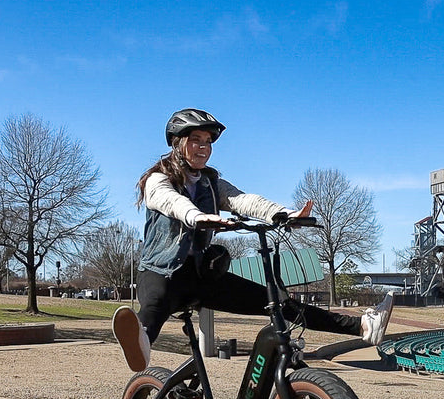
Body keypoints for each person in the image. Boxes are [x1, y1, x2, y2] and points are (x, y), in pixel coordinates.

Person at [112, 108, 393, 372]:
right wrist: (197, 216)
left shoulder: (210, 182)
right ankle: (141, 345)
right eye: (195, 139)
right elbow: (169, 201)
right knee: (154, 308)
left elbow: (243, 200)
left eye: (208, 141)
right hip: (163, 272)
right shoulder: (158, 179)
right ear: (177, 142)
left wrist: (284, 214)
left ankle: (363, 327)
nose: (203, 147)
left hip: (201, 275)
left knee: (276, 302)